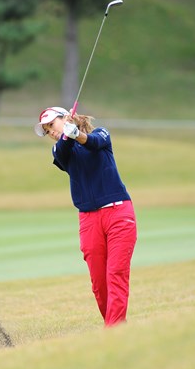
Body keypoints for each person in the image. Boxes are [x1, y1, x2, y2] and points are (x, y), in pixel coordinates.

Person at [34, 106, 137, 327]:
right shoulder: (59, 150)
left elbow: (93, 143)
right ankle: (116, 325)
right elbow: (62, 152)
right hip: (89, 219)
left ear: (66, 118)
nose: (50, 131)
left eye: (52, 125)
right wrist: (66, 135)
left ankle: (114, 329)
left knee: (116, 274)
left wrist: (76, 133)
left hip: (118, 212)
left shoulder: (102, 134)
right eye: (46, 130)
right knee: (99, 284)